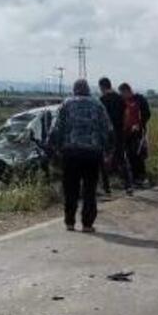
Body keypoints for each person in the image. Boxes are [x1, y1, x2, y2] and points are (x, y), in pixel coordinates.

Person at [48, 78, 113, 233]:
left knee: (71, 187)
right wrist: (108, 150)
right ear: (88, 90)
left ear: (74, 90)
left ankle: (70, 222)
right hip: (92, 153)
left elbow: (56, 128)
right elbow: (107, 129)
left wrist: (54, 148)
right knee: (90, 188)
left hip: (71, 152)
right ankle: (87, 224)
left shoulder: (67, 104)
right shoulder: (98, 105)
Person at [98, 77, 133, 195]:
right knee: (121, 158)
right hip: (119, 132)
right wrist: (124, 127)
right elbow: (127, 114)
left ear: (102, 87)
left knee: (103, 159)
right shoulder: (120, 98)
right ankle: (128, 186)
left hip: (106, 133)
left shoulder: (101, 100)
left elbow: (99, 118)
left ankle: (107, 188)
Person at [119, 83, 151, 185]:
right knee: (128, 155)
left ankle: (141, 176)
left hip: (138, 132)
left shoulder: (139, 99)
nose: (122, 95)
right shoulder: (123, 102)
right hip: (126, 132)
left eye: (123, 93)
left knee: (137, 154)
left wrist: (139, 125)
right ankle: (132, 177)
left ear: (128, 91)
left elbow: (147, 114)